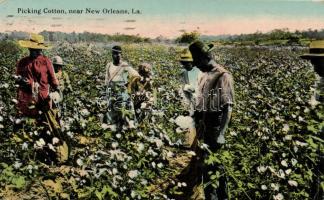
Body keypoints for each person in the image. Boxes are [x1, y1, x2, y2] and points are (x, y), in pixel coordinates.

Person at [189, 40, 234, 200]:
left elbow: (228, 107)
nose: (195, 65)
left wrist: (221, 134)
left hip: (215, 128)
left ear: (205, 57)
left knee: (215, 170)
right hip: (204, 127)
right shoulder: (203, 76)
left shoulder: (223, 76)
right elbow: (201, 104)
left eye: (196, 61)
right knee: (208, 170)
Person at [16, 33, 69, 164]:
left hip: (41, 102)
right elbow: (18, 81)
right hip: (30, 101)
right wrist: (25, 83)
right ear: (29, 49)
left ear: (40, 49)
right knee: (33, 128)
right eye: (33, 49)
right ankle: (32, 156)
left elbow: (53, 80)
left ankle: (51, 156)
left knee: (45, 128)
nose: (35, 51)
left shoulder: (45, 61)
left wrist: (56, 91)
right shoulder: (25, 62)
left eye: (37, 49)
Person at [300, 40, 324, 200]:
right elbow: (312, 107)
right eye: (312, 62)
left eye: (317, 62)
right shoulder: (321, 82)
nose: (314, 67)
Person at [104, 45, 140, 131]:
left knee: (127, 108)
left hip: (122, 90)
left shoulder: (124, 65)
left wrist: (129, 84)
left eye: (120, 54)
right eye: (116, 54)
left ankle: (129, 126)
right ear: (112, 54)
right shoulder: (109, 65)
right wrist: (106, 88)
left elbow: (136, 75)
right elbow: (107, 79)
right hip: (111, 90)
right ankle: (113, 127)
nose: (118, 55)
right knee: (111, 108)